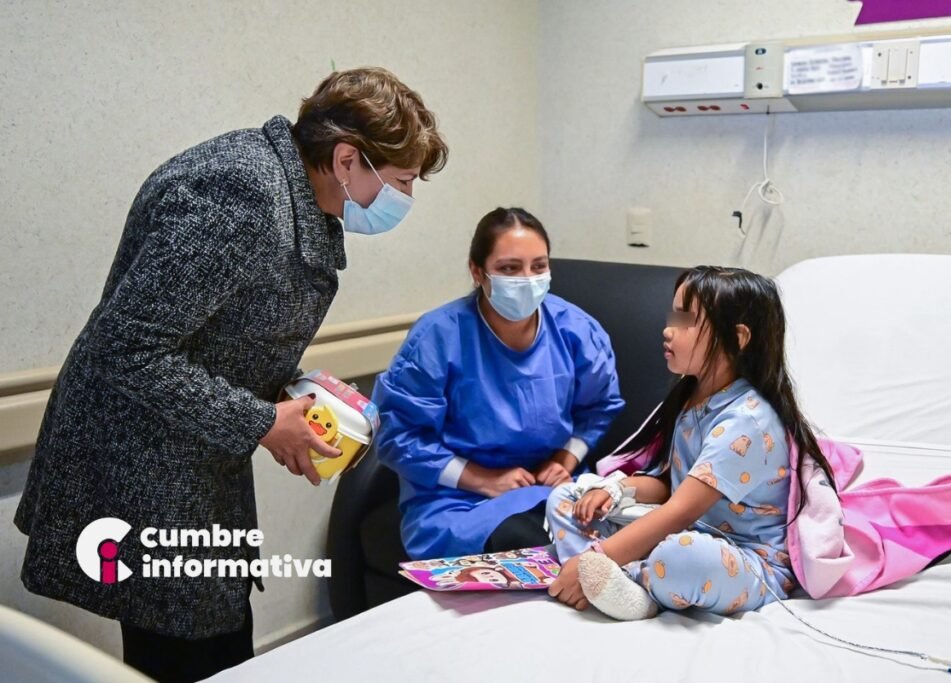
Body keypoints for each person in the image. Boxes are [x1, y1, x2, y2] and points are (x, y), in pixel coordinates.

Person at [14, 67, 447, 682]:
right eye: (402, 181)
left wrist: (295, 394)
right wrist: (264, 422)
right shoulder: (241, 191)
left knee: (214, 641)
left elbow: (221, 330)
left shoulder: (294, 195)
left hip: (189, 455)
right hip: (143, 465)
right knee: (192, 655)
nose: (405, 199)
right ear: (347, 159)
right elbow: (127, 347)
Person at [546, 266, 836, 621]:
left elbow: (680, 509)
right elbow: (671, 486)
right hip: (688, 528)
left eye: (685, 321)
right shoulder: (692, 400)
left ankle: (621, 583)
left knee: (680, 557)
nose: (668, 330)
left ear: (738, 338)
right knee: (567, 497)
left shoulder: (747, 421)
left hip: (746, 560)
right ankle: (607, 580)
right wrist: (616, 489)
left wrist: (595, 558)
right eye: (673, 316)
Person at [372, 207, 624, 560]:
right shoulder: (438, 337)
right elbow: (397, 434)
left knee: (602, 540)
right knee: (526, 541)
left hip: (550, 485)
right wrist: (483, 479)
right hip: (458, 499)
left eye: (539, 266)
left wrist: (566, 458)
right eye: (509, 268)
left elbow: (600, 406)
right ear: (478, 272)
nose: (527, 279)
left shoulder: (576, 331)